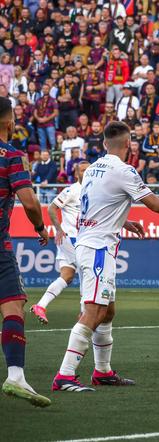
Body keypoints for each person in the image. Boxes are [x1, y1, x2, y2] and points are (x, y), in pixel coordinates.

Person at [51, 122, 159, 392]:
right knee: (94, 311)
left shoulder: (94, 168)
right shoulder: (124, 170)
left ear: (105, 143)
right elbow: (154, 204)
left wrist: (123, 221)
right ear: (128, 145)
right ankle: (64, 375)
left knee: (108, 311)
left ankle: (102, 372)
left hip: (90, 243)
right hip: (97, 249)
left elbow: (98, 203)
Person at [0, 97, 51, 407]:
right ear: (9, 122)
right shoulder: (12, 156)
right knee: (13, 307)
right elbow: (30, 203)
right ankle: (16, 376)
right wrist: (40, 228)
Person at [30, 162, 90, 325]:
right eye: (83, 170)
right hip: (71, 238)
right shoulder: (71, 190)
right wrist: (58, 229)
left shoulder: (93, 191)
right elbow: (51, 208)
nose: (86, 172)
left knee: (68, 276)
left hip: (78, 239)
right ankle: (84, 312)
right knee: (87, 271)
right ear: (77, 173)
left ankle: (40, 306)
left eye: (89, 169)